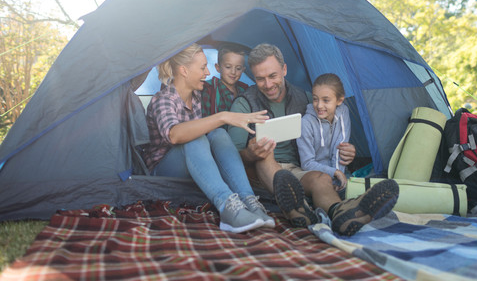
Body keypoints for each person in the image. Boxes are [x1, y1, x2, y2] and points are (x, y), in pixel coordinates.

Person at [228, 44, 399, 236]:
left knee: (321, 178)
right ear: (252, 76)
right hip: (261, 173)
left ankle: (340, 212)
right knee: (265, 151)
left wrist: (346, 150)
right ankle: (297, 206)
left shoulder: (307, 99)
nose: (267, 85)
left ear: (284, 70)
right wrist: (250, 154)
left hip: (298, 170)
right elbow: (229, 156)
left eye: (272, 76)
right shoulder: (244, 104)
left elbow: (328, 135)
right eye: (260, 79)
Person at [144, 43, 275, 233]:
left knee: (219, 133)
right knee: (195, 138)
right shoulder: (164, 99)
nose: (207, 72)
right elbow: (175, 135)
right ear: (183, 70)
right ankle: (227, 207)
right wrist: (222, 116)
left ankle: (249, 201)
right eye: (202, 67)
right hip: (163, 172)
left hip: (193, 165)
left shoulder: (197, 97)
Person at [296, 73, 350, 196]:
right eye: (315, 99)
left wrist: (338, 178)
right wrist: (334, 173)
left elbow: (340, 148)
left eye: (326, 100)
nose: (319, 105)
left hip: (339, 171)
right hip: (316, 175)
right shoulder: (306, 123)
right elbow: (307, 163)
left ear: (339, 100)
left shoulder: (343, 113)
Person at [202, 43, 249, 117]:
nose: (233, 72)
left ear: (243, 70)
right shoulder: (209, 89)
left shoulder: (244, 90)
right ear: (218, 68)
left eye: (238, 68)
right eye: (228, 67)